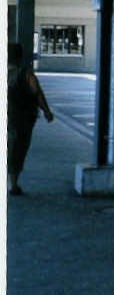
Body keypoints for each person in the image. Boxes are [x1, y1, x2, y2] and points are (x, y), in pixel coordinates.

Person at [7, 42, 53, 195]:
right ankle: (13, 184)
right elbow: (37, 93)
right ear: (19, 57)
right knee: (17, 150)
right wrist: (46, 111)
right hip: (21, 120)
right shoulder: (25, 73)